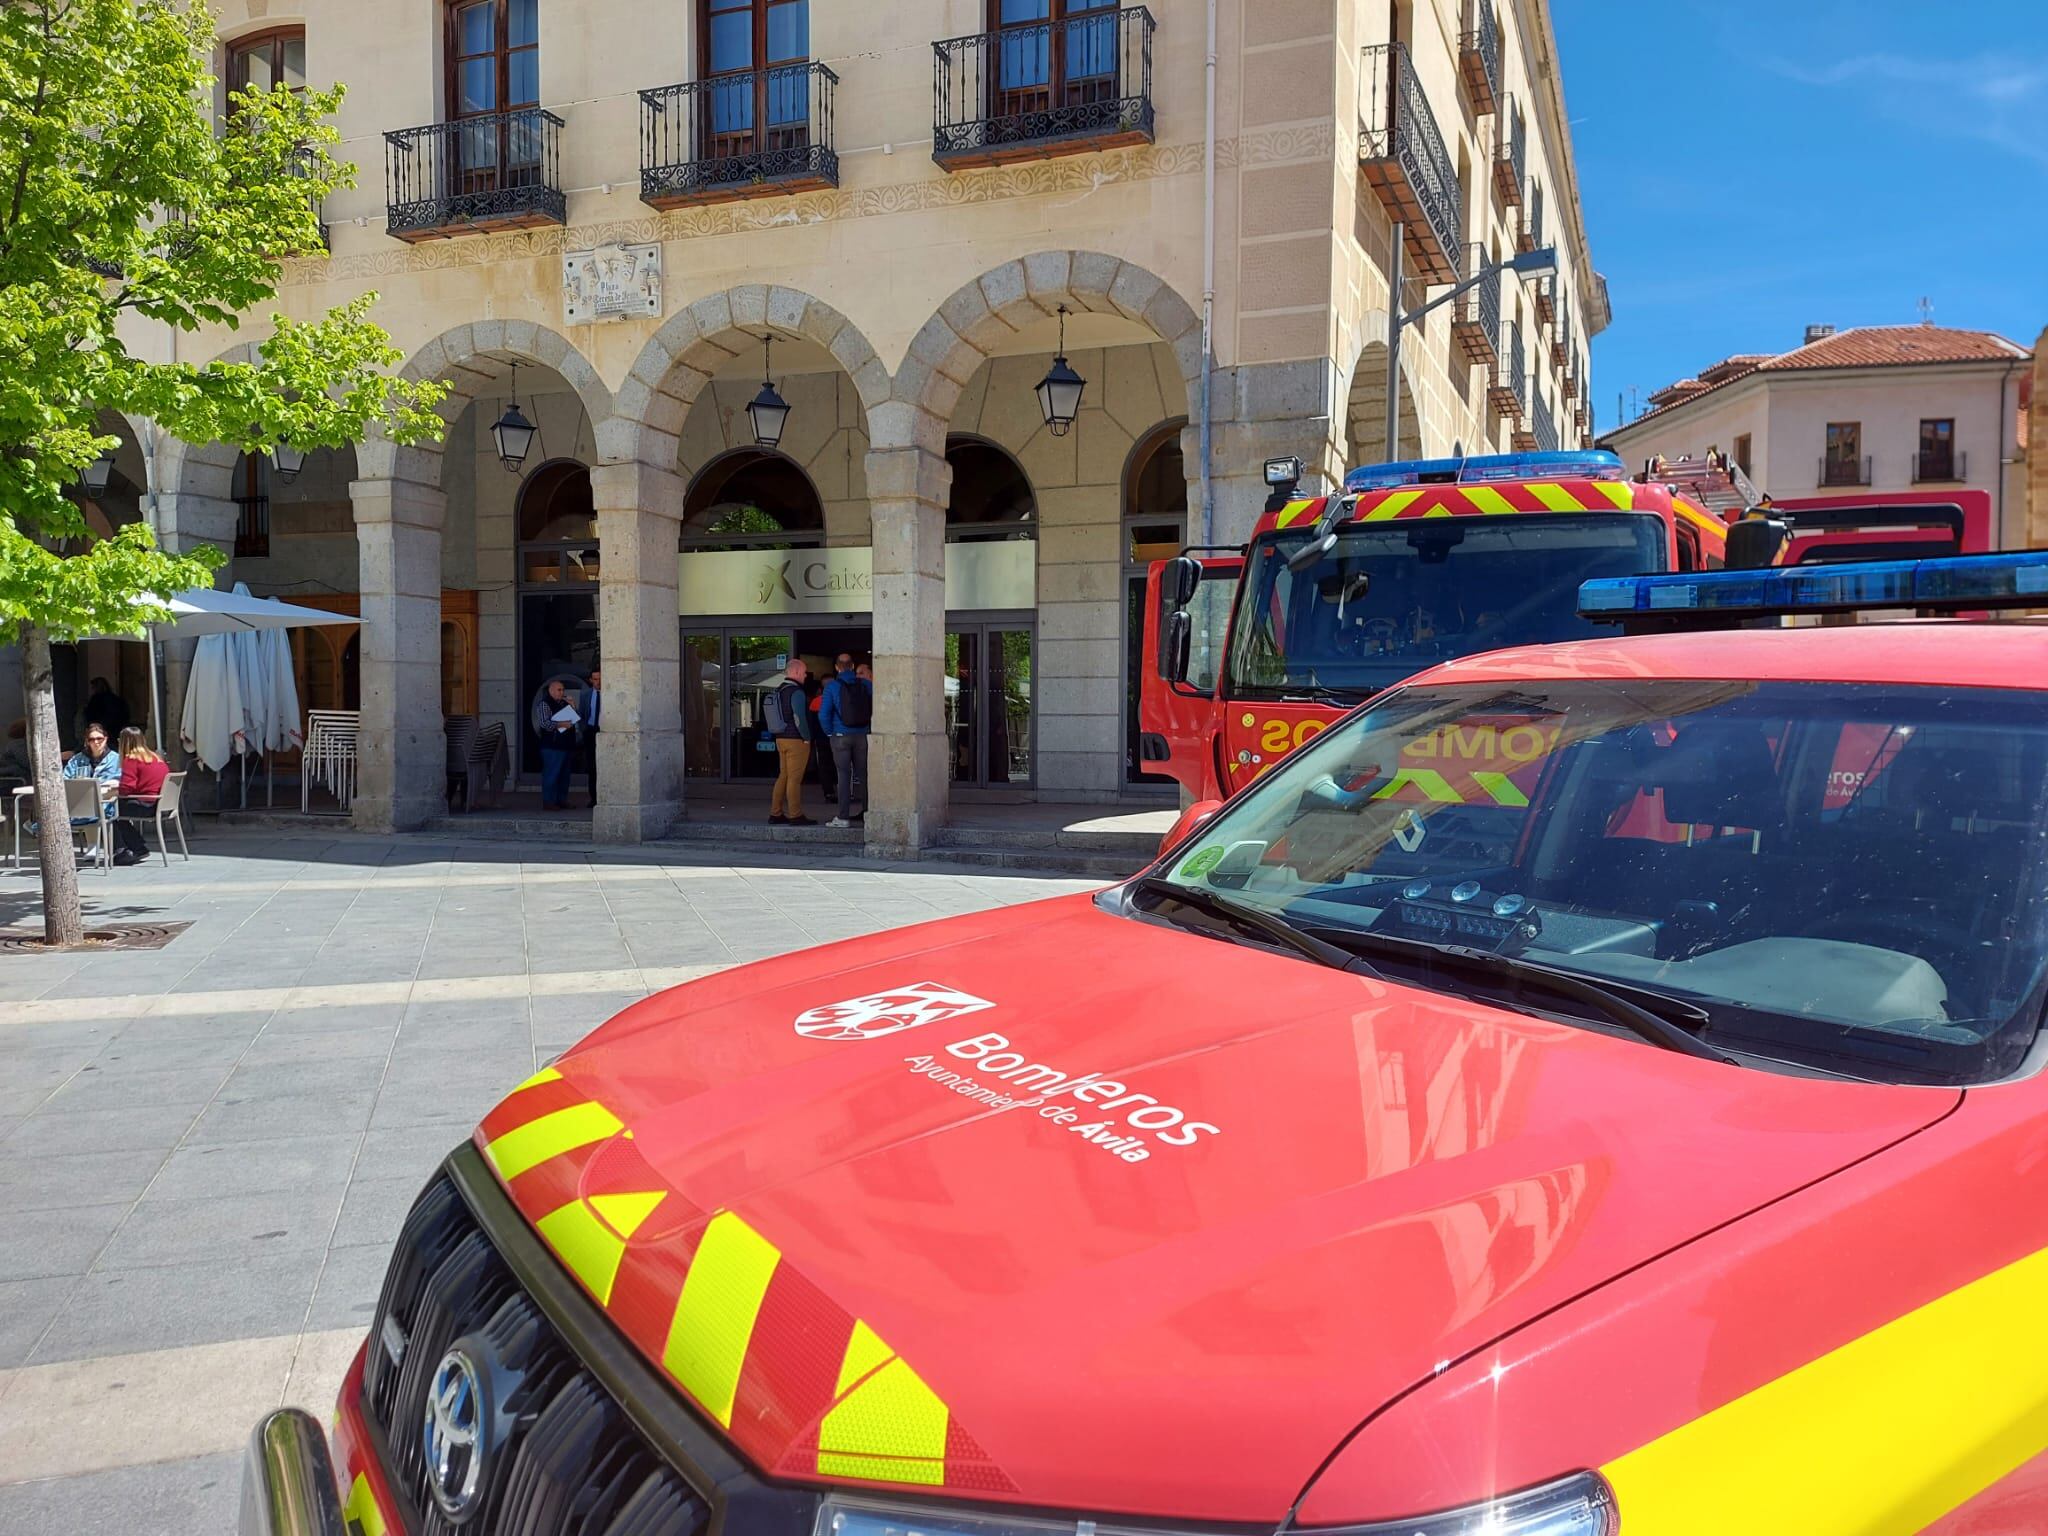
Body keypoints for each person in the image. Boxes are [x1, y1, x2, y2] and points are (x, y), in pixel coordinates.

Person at [820, 651, 872, 829]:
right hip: (863, 735)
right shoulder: (866, 684)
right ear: (852, 666)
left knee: (843, 775)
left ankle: (843, 817)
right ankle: (868, 813)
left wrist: (830, 732)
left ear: (836, 667)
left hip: (840, 735)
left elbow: (823, 714)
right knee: (864, 775)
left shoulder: (832, 687)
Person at [766, 659, 815, 826]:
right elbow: (799, 717)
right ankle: (795, 814)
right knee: (795, 779)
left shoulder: (779, 690)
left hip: (780, 738)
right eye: (804, 672)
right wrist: (807, 738)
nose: (806, 675)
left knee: (783, 776)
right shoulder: (796, 692)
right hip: (796, 740)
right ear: (795, 672)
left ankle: (776, 813)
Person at [111, 727, 168, 866]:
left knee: (109, 812)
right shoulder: (156, 758)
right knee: (116, 811)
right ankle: (137, 846)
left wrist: (114, 790)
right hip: (159, 804)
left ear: (124, 742)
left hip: (145, 805)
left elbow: (126, 788)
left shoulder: (132, 760)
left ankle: (125, 850)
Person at [531, 679, 581, 811]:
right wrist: (560, 724)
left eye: (563, 690)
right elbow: (544, 723)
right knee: (551, 774)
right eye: (559, 690)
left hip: (566, 745)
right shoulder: (544, 704)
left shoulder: (564, 703)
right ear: (551, 690)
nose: (562, 692)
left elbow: (576, 720)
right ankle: (549, 801)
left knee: (564, 776)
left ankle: (561, 800)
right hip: (552, 746)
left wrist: (573, 707)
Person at [581, 668, 602, 809]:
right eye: (595, 679)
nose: (598, 682)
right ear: (590, 680)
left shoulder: (609, 693)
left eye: (600, 679)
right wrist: (583, 729)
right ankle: (593, 798)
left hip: (605, 731)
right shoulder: (586, 695)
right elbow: (582, 713)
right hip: (590, 731)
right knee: (592, 766)